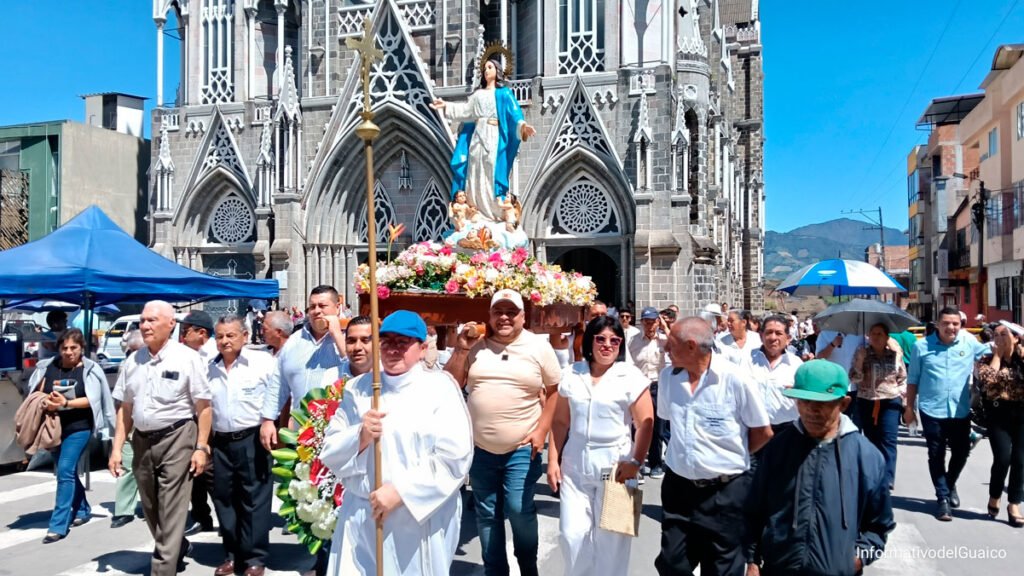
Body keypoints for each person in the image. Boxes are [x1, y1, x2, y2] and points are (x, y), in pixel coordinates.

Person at [320, 310, 473, 575]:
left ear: (422, 348)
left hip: (418, 517)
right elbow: (330, 450)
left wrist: (402, 491)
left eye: (403, 342)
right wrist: (361, 436)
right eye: (387, 341)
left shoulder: (440, 389)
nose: (393, 349)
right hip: (363, 514)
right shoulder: (358, 389)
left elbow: (454, 457)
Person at [445, 289, 562, 576]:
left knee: (518, 509)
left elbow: (554, 391)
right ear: (490, 316)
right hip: (481, 448)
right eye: (499, 312)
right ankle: (495, 571)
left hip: (522, 447)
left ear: (523, 316)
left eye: (512, 312)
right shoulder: (475, 345)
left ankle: (527, 567)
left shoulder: (538, 347)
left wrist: (542, 431)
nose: (505, 317)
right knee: (487, 514)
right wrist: (461, 348)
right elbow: (449, 383)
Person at [744, 360, 895, 576]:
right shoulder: (778, 448)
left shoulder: (866, 457)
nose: (812, 410)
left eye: (822, 403)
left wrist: (856, 559)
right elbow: (754, 510)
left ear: (843, 404)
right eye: (804, 401)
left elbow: (879, 525)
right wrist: (752, 560)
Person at [655, 317, 772, 576]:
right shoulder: (668, 378)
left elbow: (763, 431)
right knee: (672, 564)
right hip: (679, 489)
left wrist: (730, 459)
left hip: (725, 492)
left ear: (691, 346)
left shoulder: (736, 379)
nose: (665, 349)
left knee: (722, 568)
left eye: (671, 344)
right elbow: (667, 418)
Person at [108, 300, 212, 576]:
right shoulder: (133, 361)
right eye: (143, 320)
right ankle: (177, 545)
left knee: (172, 506)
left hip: (178, 436)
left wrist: (201, 447)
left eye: (152, 320)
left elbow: (204, 407)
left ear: (171, 324)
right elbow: (125, 408)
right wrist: (117, 448)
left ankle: (162, 569)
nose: (145, 325)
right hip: (142, 440)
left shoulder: (188, 358)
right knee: (151, 507)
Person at [548, 316, 654, 575]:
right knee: (571, 535)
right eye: (601, 339)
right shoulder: (573, 373)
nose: (607, 345)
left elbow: (645, 424)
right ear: (590, 341)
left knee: (613, 542)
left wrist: (636, 462)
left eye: (614, 340)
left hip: (618, 466)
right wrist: (553, 460)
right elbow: (560, 422)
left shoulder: (630, 376)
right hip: (575, 463)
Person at [260, 286, 346, 576]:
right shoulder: (294, 343)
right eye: (312, 306)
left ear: (339, 306)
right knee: (311, 500)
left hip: (343, 437)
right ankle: (320, 558)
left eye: (323, 305)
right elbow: (278, 385)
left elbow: (362, 372)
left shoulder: (353, 338)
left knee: (339, 501)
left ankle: (336, 559)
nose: (317, 311)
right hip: (306, 440)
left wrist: (338, 337)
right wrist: (268, 420)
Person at [432, 55, 536, 249]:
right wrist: (446, 106)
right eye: (485, 68)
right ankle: (477, 211)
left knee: (491, 170)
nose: (486, 70)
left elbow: (515, 114)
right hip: (477, 137)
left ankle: (493, 212)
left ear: (497, 71)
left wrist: (523, 126)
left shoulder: (504, 94)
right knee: (475, 172)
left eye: (490, 67)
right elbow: (466, 111)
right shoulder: (478, 95)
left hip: (495, 137)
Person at [904, 306, 991, 521]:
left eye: (955, 323)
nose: (951, 327)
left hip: (959, 409)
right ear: (937, 324)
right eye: (946, 323)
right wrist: (909, 408)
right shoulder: (921, 347)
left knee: (961, 452)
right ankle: (942, 498)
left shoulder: (968, 342)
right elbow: (913, 379)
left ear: (960, 325)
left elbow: (990, 352)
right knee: (936, 454)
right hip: (931, 409)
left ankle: (949, 483)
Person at [28, 328, 115, 543]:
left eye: (73, 348)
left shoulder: (91, 370)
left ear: (82, 348)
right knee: (66, 474)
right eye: (64, 348)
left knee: (65, 470)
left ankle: (58, 524)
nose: (68, 352)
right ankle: (83, 509)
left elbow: (94, 399)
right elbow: (36, 392)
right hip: (53, 427)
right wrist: (46, 402)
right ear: (58, 349)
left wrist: (66, 403)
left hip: (79, 427)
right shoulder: (46, 367)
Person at [207, 315, 276, 576]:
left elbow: (278, 394)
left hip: (252, 439)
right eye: (220, 336)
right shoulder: (208, 367)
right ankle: (232, 555)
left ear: (244, 336)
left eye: (231, 335)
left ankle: (255, 559)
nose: (225, 341)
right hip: (221, 442)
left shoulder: (262, 362)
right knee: (225, 500)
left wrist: (272, 426)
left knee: (254, 501)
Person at [976, 320, 1024, 527]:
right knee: (1003, 458)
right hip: (998, 413)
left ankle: (1014, 503)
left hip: (1021, 413)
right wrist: (997, 356)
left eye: (1005, 335)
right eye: (996, 335)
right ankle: (995, 495)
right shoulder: (986, 359)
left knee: (1020, 461)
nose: (1000, 339)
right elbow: (987, 382)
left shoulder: (1022, 360)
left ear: (1016, 337)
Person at [849, 323, 907, 491]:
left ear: (887, 336)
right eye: (873, 333)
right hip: (867, 401)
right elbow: (854, 379)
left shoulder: (895, 355)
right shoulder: (862, 353)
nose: (876, 336)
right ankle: (873, 474)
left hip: (890, 401)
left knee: (889, 440)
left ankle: (888, 478)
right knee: (871, 441)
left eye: (880, 334)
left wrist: (902, 396)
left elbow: (902, 377)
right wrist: (859, 362)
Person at [179, 310, 217, 536]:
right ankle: (201, 516)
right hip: (192, 419)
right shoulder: (187, 354)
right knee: (194, 472)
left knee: (210, 472)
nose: (182, 337)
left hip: (210, 420)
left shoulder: (212, 355)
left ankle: (225, 517)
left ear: (201, 333)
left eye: (186, 332)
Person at [627, 306, 670, 480]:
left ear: (658, 322)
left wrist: (666, 328)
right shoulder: (633, 341)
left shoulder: (664, 340)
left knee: (657, 426)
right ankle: (638, 463)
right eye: (646, 321)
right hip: (639, 385)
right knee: (637, 425)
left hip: (657, 385)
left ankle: (655, 463)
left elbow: (678, 344)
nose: (649, 325)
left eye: (653, 321)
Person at [740, 315, 802, 433]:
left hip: (787, 431)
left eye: (778, 333)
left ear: (788, 338)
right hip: (754, 429)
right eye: (768, 333)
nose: (773, 337)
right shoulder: (746, 360)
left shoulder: (796, 365)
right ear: (761, 336)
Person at [111, 329, 145, 528]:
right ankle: (123, 510)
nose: (133, 355)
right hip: (129, 424)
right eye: (129, 351)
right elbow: (120, 399)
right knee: (126, 466)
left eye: (137, 350)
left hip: (153, 426)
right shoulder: (127, 366)